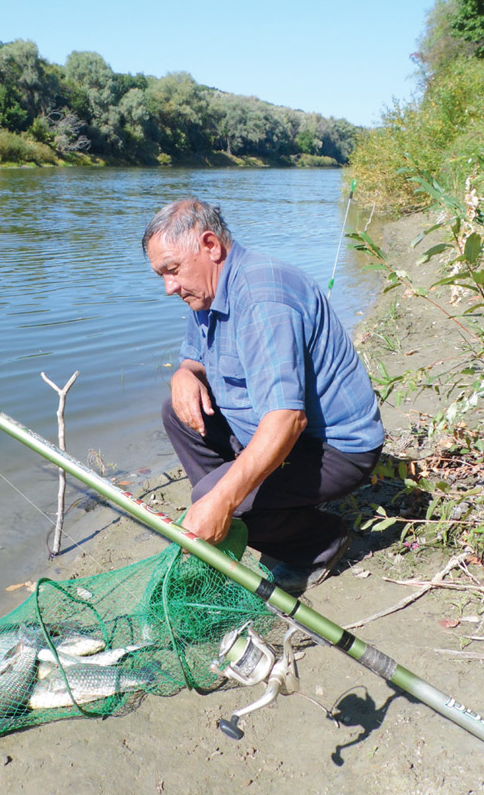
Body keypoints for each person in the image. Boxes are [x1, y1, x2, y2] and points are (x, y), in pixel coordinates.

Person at [143, 198, 384, 592]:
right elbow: (195, 356)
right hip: (275, 432)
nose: (169, 288)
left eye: (172, 270)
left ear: (210, 245)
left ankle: (320, 542)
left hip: (334, 448)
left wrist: (222, 499)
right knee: (176, 411)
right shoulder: (207, 290)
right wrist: (183, 374)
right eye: (161, 276)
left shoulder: (260, 296)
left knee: (216, 496)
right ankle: (262, 520)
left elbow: (288, 419)